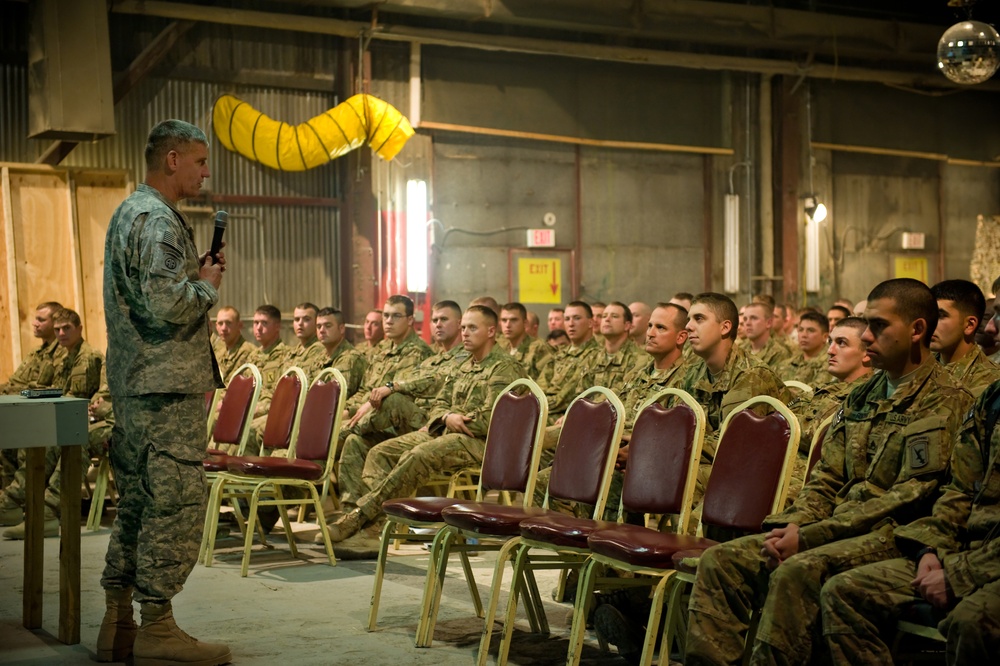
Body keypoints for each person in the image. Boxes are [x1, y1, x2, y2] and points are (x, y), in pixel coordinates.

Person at [684, 278, 973, 666]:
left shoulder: (946, 402)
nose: (868, 337)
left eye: (879, 326)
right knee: (721, 562)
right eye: (867, 325)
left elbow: (909, 497)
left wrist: (809, 536)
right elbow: (827, 477)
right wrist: (794, 524)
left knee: (796, 571)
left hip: (893, 535)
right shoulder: (862, 395)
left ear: (917, 330)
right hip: (833, 528)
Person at [99, 119, 230, 665]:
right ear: (172, 159)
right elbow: (166, 303)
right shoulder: (158, 219)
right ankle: (157, 628)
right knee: (173, 504)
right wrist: (206, 286)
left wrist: (189, 280)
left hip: (137, 385)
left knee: (137, 502)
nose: (205, 171)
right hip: (165, 387)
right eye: (199, 161)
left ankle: (118, 624)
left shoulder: (130, 211)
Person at [819, 378, 1000, 665]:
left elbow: (913, 490)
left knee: (972, 622)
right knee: (844, 591)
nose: (989, 329)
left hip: (986, 564)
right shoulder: (993, 398)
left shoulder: (949, 395)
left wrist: (959, 575)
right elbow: (959, 491)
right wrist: (930, 548)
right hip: (964, 549)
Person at [321, 305, 526, 548]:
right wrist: (447, 416)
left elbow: (491, 420)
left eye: (472, 328)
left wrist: (449, 418)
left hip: (483, 444)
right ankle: (377, 525)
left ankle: (360, 519)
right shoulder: (464, 366)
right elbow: (439, 404)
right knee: (380, 452)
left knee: (418, 455)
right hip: (446, 432)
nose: (466, 334)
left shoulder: (504, 367)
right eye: (463, 328)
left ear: (491, 331)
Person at [337, 300, 461, 512]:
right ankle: (352, 513)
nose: (438, 324)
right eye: (435, 320)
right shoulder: (432, 360)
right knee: (355, 442)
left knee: (391, 402)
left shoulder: (440, 356)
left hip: (428, 426)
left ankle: (334, 435)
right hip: (405, 421)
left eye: (444, 320)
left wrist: (390, 388)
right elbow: (368, 390)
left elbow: (414, 390)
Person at [2, 307, 104, 539]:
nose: (60, 334)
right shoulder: (63, 357)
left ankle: (42, 511)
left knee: (59, 441)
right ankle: (16, 503)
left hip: (87, 422)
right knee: (35, 438)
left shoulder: (89, 357)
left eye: (66, 328)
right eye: (57, 329)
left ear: (79, 328)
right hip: (71, 419)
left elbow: (82, 398)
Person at [784, 317, 872, 497]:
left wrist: (783, 424)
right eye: (830, 342)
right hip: (784, 467)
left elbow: (816, 438)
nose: (830, 351)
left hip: (814, 484)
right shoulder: (827, 389)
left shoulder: (865, 397)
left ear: (867, 353)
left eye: (842, 343)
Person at [0, 300, 65, 509]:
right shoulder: (36, 354)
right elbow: (13, 383)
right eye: (35, 319)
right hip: (23, 414)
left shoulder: (64, 353)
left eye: (41, 319)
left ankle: (17, 500)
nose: (34, 324)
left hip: (43, 417)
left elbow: (52, 390)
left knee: (22, 441)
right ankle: (11, 499)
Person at [929, 278, 1000, 397]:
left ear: (969, 325)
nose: (930, 323)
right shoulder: (918, 368)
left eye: (941, 316)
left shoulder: (990, 381)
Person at [538, 301, 602, 424]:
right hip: (544, 412)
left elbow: (567, 396)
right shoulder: (559, 355)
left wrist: (539, 406)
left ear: (590, 323)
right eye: (567, 319)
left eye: (577, 318)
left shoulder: (597, 355)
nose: (571, 324)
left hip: (568, 418)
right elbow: (541, 386)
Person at [315, 306, 367, 397]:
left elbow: (334, 396)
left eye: (328, 326)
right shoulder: (319, 356)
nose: (322, 330)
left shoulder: (350, 358)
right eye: (318, 326)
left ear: (341, 328)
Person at [499, 302, 553, 380]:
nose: (507, 325)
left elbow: (546, 383)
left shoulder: (539, 348)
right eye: (504, 320)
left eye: (513, 320)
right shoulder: (501, 349)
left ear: (525, 323)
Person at [779, 310, 833, 386]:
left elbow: (816, 392)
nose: (804, 335)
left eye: (811, 330)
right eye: (801, 330)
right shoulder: (787, 363)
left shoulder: (831, 363)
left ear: (825, 337)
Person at [743, 302, 791, 370]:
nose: (747, 323)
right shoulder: (740, 349)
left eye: (754, 318)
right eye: (745, 319)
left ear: (768, 323)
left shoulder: (779, 353)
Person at [212, 306, 255, 381]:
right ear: (216, 326)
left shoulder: (251, 353)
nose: (224, 328)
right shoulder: (218, 354)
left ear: (239, 325)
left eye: (228, 323)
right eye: (220, 323)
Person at [287, 302, 327, 379]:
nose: (300, 323)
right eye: (297, 319)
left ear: (317, 322)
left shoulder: (320, 350)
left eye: (306, 319)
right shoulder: (292, 352)